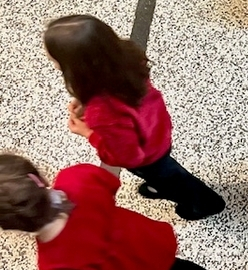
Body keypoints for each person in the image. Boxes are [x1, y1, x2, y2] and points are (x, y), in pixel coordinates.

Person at [0, 152, 239, 270]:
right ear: (36, 178)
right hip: (149, 245)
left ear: (10, 226)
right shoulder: (76, 179)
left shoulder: (54, 267)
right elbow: (109, 180)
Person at [43, 14, 225, 221]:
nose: (54, 63)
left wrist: (88, 133)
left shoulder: (101, 112)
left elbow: (128, 157)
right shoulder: (127, 57)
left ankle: (206, 204)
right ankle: (166, 186)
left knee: (172, 181)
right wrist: (85, 101)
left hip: (147, 156)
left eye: (55, 60)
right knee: (169, 173)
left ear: (77, 67)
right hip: (158, 130)